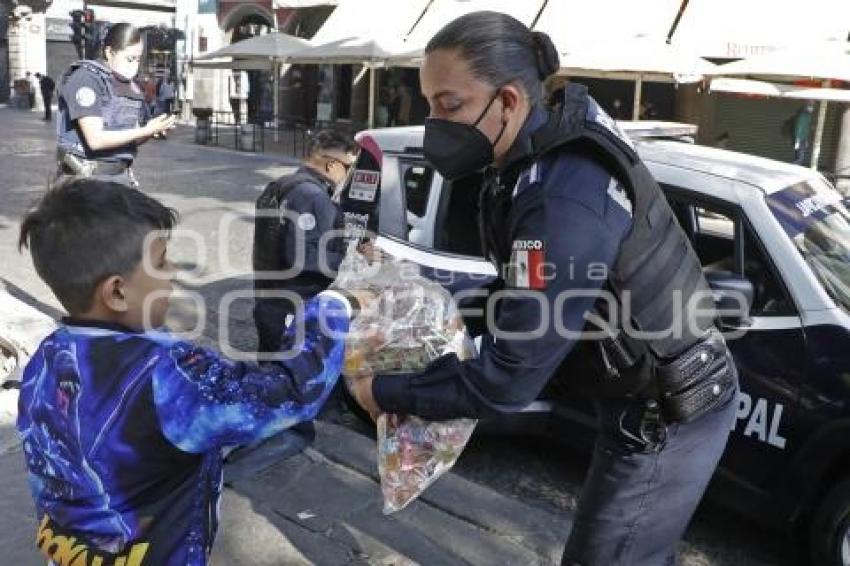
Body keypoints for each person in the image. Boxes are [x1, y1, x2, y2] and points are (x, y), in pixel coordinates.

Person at [347, 11, 738, 565]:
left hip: (668, 410)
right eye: (428, 103)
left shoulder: (562, 196)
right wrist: (413, 310)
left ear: (507, 100)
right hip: (633, 390)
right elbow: (517, 296)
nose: (434, 122)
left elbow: (508, 378)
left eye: (449, 105)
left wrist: (385, 393)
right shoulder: (534, 146)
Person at [16, 178, 359, 565]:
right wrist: (335, 307)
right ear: (116, 292)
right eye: (161, 262)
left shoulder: (45, 356)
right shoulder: (168, 374)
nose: (174, 271)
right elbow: (288, 393)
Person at [253, 129, 357, 356]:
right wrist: (352, 259)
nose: (350, 174)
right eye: (349, 167)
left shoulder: (286, 184)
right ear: (332, 165)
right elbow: (303, 257)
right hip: (290, 309)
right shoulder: (312, 195)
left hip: (272, 303)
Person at [56, 23, 175, 187]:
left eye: (138, 59)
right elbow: (95, 140)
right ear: (109, 52)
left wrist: (152, 130)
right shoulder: (86, 79)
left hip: (119, 178)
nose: (135, 64)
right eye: (130, 58)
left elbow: (128, 139)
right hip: (85, 183)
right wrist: (145, 130)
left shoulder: (130, 86)